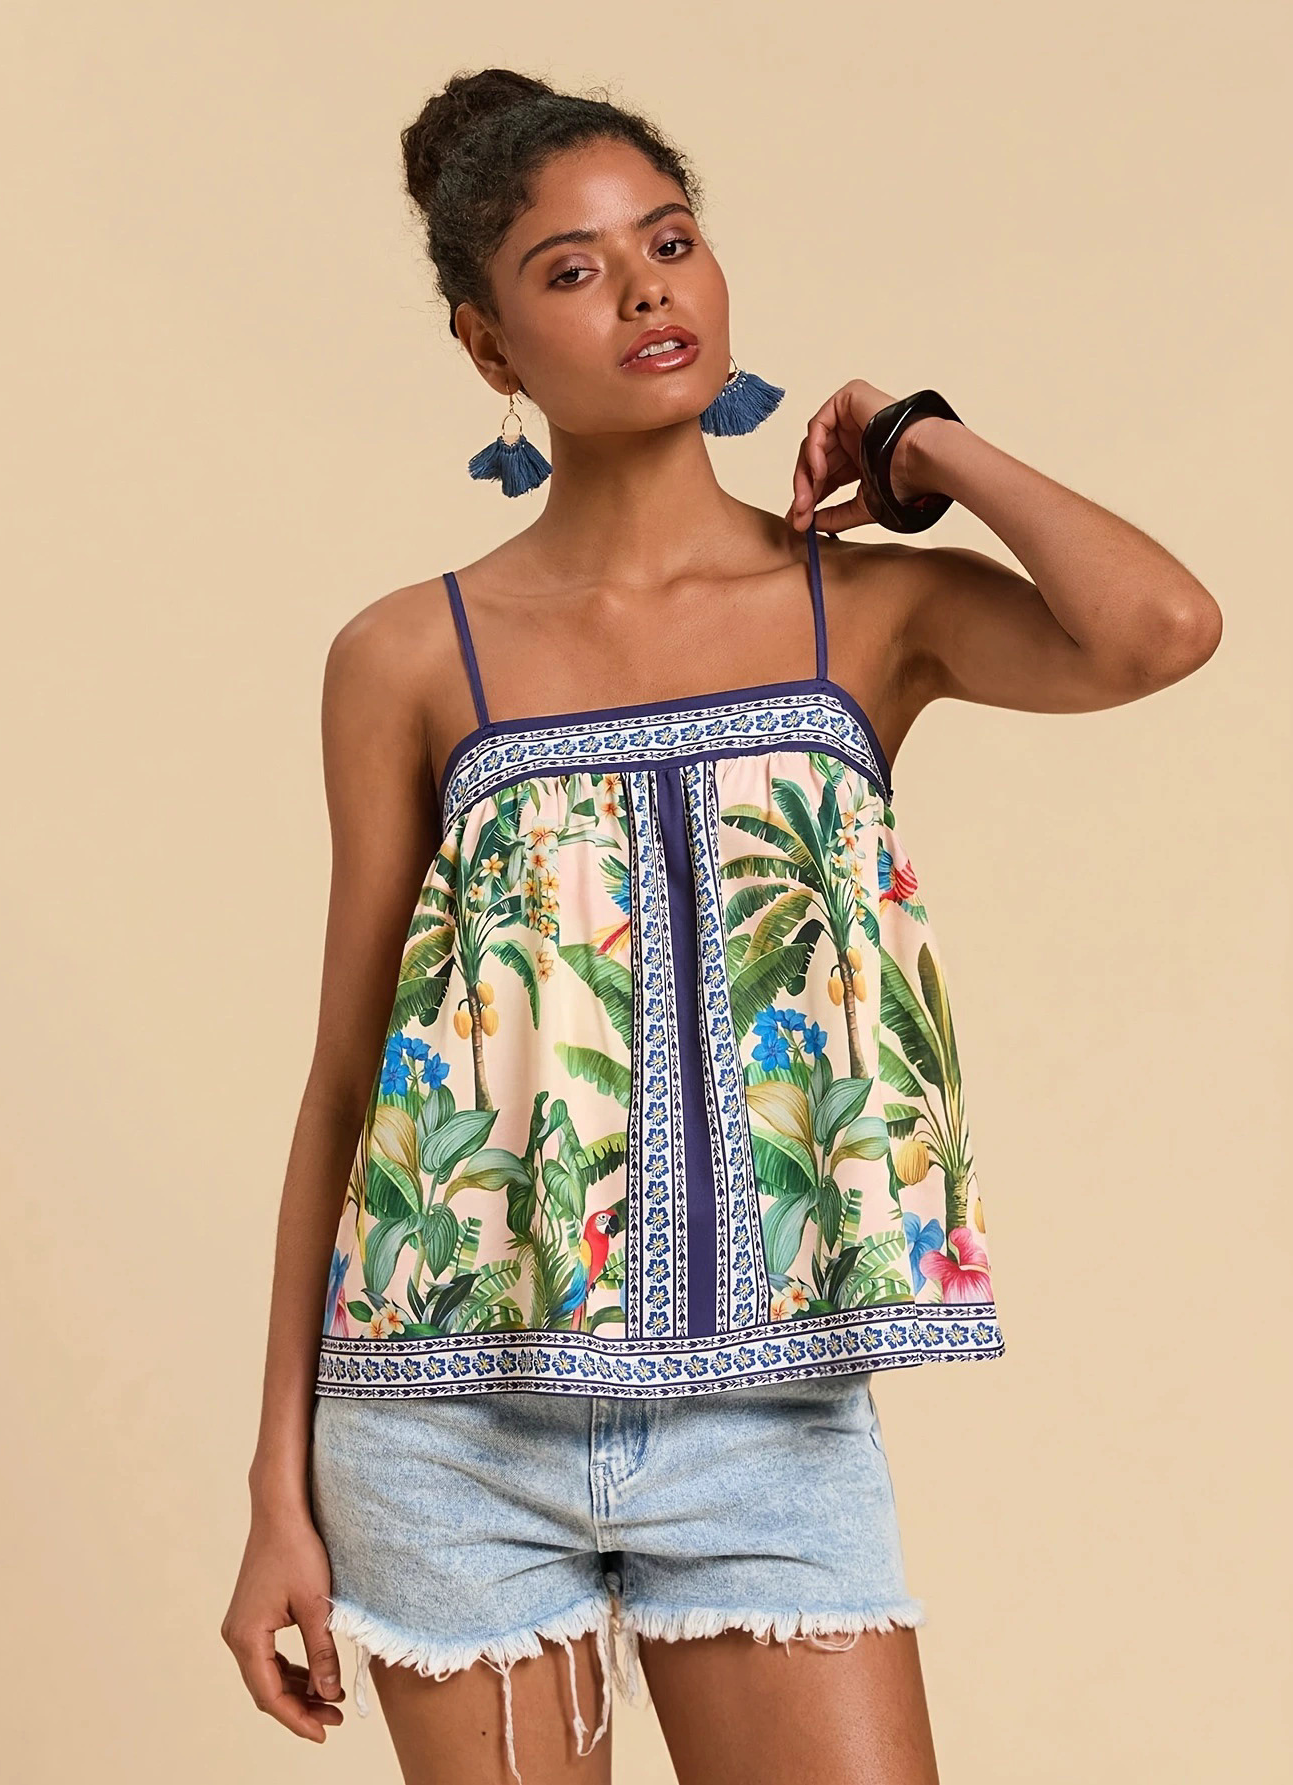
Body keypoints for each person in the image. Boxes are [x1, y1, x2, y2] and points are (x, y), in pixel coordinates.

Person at [221, 67, 1222, 1785]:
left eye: (669, 243)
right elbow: (343, 1087)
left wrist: (922, 437)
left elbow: (1162, 628)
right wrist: (273, 1487)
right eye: (574, 270)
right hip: (444, 1427)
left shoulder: (863, 611)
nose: (643, 290)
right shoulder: (406, 656)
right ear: (487, 347)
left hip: (771, 1427)